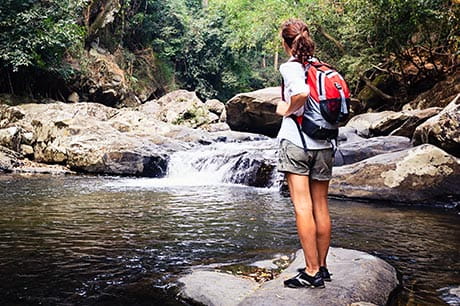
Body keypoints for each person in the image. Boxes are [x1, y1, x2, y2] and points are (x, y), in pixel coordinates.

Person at [275, 19, 333, 289]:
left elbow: (301, 93)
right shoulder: (320, 66)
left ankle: (311, 272)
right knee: (320, 205)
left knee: (303, 207)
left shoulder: (290, 68)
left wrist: (285, 109)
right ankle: (321, 266)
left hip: (297, 143)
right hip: (324, 144)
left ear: (287, 44)